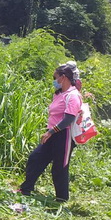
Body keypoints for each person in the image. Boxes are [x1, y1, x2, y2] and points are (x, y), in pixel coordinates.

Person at [18, 64, 82, 202]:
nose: (54, 80)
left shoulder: (73, 95)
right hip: (52, 133)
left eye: (55, 77)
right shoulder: (59, 94)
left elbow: (69, 119)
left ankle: (61, 198)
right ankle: (26, 189)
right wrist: (50, 132)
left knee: (60, 167)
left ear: (63, 77)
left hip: (64, 135)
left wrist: (51, 132)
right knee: (36, 158)